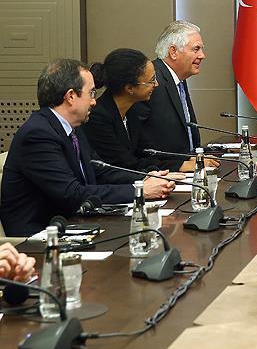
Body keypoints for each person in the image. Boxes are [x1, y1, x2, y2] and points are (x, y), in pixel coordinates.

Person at [0, 59, 174, 236]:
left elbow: (100, 171)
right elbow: (72, 194)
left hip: (76, 224)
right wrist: (139, 191)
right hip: (39, 238)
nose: (94, 102)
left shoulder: (72, 127)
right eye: (91, 93)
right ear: (70, 96)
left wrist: (145, 179)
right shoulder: (38, 135)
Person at [84, 48, 198, 172]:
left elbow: (147, 153)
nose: (156, 84)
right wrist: (179, 166)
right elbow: (126, 164)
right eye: (151, 80)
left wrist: (186, 161)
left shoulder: (132, 111)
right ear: (129, 88)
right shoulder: (98, 117)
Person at [139, 21, 218, 167]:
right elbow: (141, 144)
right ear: (173, 52)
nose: (202, 55)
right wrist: (179, 165)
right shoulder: (152, 81)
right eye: (196, 49)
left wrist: (198, 157)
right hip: (162, 174)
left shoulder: (178, 79)